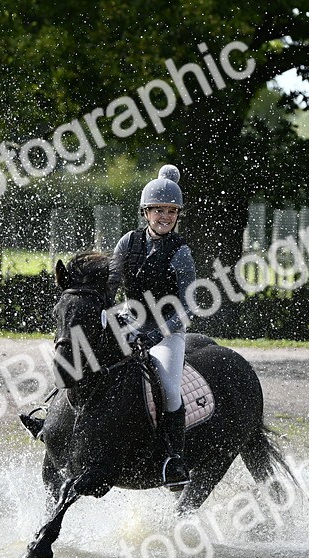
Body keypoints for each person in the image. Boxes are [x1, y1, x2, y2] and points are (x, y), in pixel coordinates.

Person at [109, 164, 197, 490]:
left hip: (167, 333)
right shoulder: (127, 243)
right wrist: (107, 315)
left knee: (170, 390)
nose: (165, 216)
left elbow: (187, 307)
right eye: (159, 210)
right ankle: (54, 420)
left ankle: (174, 459)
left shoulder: (181, 252)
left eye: (171, 211)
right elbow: (110, 287)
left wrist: (157, 334)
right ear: (145, 212)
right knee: (85, 353)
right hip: (130, 322)